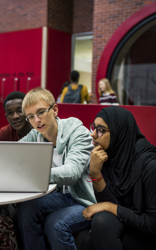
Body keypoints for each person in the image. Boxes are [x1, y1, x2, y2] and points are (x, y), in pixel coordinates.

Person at [80, 106, 156, 250]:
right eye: (94, 128)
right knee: (91, 236)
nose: (93, 134)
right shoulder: (110, 156)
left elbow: (155, 223)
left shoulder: (151, 167)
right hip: (132, 222)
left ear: (120, 133)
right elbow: (109, 205)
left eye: (100, 130)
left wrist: (109, 206)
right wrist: (95, 173)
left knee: (93, 238)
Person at [17, 87, 96, 250]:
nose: (36, 120)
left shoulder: (77, 132)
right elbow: (12, 155)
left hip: (83, 198)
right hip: (60, 195)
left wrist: (33, 175)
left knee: (55, 224)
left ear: (54, 110)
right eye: (30, 117)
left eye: (40, 112)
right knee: (26, 210)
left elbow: (72, 173)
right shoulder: (36, 135)